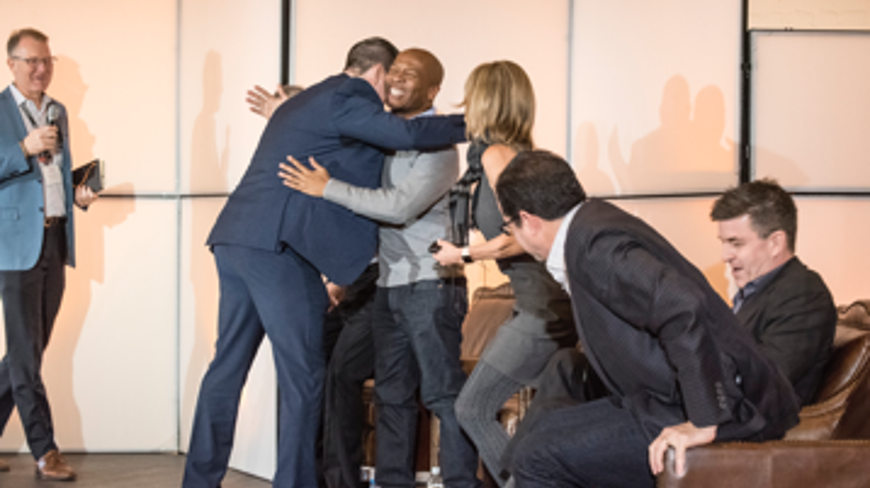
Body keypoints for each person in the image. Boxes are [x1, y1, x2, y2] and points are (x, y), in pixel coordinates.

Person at [182, 37, 466, 488]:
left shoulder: (313, 99)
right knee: (306, 373)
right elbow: (407, 135)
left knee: (227, 368)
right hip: (275, 248)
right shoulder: (351, 96)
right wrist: (479, 121)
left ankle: (198, 481)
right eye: (391, 76)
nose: (390, 93)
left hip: (236, 238)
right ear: (378, 73)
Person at [495, 150, 801, 488]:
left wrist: (703, 419)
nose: (513, 237)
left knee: (536, 456)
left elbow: (682, 306)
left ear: (529, 221)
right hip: (664, 397)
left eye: (509, 226)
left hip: (726, 406)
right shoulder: (591, 226)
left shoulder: (595, 247)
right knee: (541, 433)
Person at [281, 48, 480, 488]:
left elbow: (397, 207)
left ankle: (461, 483)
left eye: (411, 73)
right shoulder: (383, 137)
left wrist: (327, 188)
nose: (397, 78)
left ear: (433, 91)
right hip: (389, 286)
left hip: (431, 286)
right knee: (393, 397)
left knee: (442, 394)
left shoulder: (438, 148)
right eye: (395, 70)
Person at [430, 61, 576, 486]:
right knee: (532, 423)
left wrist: (464, 254)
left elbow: (522, 236)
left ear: (486, 103)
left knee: (472, 408)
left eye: (471, 100)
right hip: (538, 303)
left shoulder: (497, 156)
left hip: (542, 309)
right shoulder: (514, 157)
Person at [0, 27, 98, 481]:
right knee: (25, 356)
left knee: (28, 351)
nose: (41, 69)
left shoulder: (57, 110)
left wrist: (78, 194)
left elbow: (53, 175)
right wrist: (24, 147)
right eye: (32, 61)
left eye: (47, 61)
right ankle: (46, 450)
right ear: (12, 64)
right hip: (15, 247)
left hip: (55, 240)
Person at [712, 179, 837, 405]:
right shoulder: (756, 293)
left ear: (775, 243)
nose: (725, 256)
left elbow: (764, 381)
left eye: (736, 243)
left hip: (751, 424)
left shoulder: (803, 293)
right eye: (724, 242)